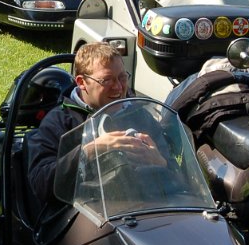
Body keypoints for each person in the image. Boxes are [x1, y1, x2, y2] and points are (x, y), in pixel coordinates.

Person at [25, 43, 156, 210]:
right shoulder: (59, 121)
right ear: (82, 82)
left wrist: (161, 162)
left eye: (122, 78)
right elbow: (40, 185)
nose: (118, 87)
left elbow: (183, 180)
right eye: (107, 80)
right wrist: (92, 150)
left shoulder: (139, 114)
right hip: (83, 216)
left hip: (148, 211)